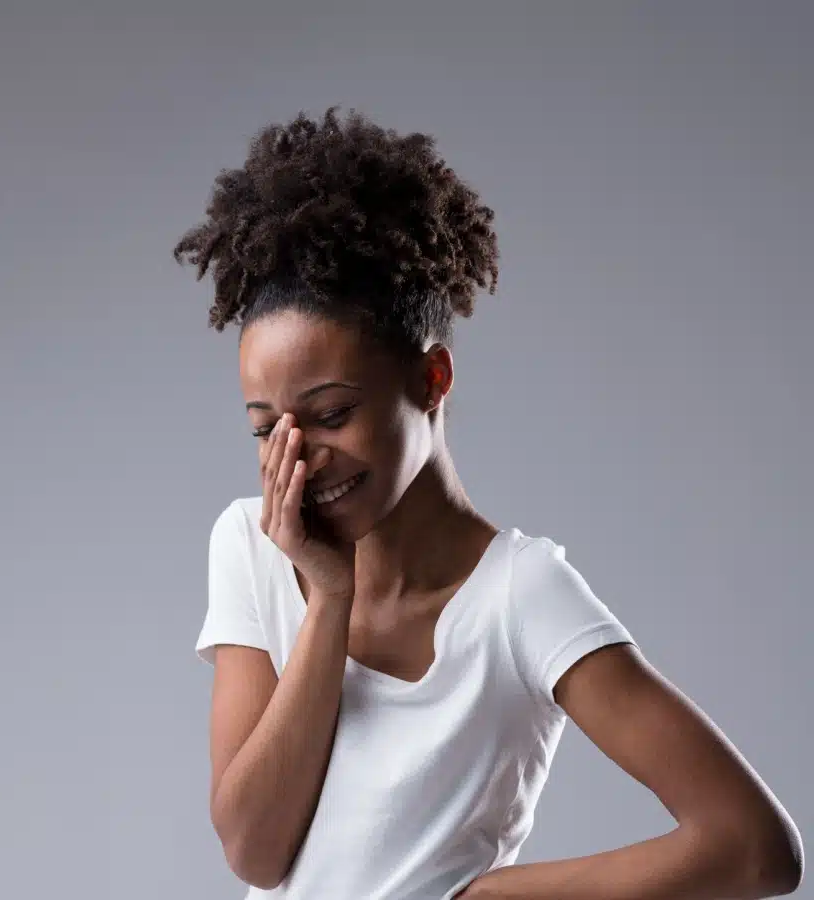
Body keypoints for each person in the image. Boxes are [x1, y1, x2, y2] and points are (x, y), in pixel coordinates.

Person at [177, 108, 802, 899]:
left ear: (431, 380)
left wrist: (484, 898)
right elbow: (254, 852)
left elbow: (754, 849)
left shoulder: (520, 596)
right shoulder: (251, 544)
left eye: (333, 414)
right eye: (268, 429)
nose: (298, 458)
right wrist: (329, 597)